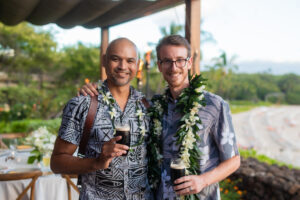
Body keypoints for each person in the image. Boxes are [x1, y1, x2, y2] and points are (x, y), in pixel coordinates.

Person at [80, 35, 240, 200]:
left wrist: (203, 180)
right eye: (167, 61)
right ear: (159, 66)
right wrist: (95, 89)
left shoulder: (214, 105)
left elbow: (234, 160)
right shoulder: (153, 107)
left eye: (180, 60)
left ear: (189, 62)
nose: (174, 67)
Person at [51, 38, 152, 199]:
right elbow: (57, 162)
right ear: (104, 61)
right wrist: (96, 162)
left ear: (137, 64)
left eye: (130, 61)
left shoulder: (148, 107)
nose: (122, 66)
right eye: (115, 59)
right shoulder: (82, 105)